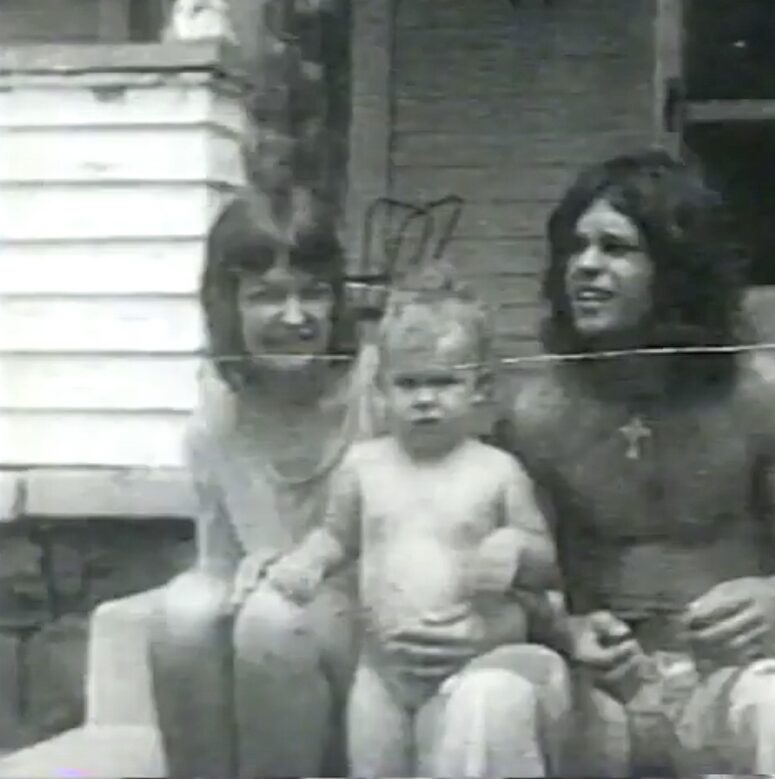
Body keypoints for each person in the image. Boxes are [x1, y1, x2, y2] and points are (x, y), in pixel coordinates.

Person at [492, 149, 775, 775]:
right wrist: (566, 632)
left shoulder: (761, 395)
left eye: (614, 248)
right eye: (574, 248)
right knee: (490, 698)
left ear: (675, 269)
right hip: (596, 697)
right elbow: (521, 580)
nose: (584, 267)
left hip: (723, 684)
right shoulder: (539, 413)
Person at [268, 263, 562, 776]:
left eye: (443, 382)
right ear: (381, 390)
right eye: (408, 383)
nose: (425, 399)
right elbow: (335, 536)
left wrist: (515, 546)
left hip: (464, 663)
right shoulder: (365, 465)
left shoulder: (496, 471)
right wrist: (307, 561)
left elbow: (545, 559)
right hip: (381, 672)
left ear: (481, 388)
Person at [147, 194, 382, 778]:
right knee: (183, 611)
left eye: (313, 292)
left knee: (273, 619)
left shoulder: (378, 391)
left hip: (371, 629)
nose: (295, 316)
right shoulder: (217, 416)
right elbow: (219, 561)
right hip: (265, 635)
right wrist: (249, 577)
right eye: (266, 296)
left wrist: (303, 571)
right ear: (228, 305)